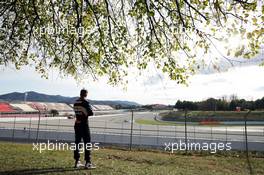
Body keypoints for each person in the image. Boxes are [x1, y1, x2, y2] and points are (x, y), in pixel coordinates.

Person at [73, 89, 96, 169]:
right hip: (84, 125)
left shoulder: (75, 103)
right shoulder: (86, 103)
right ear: (86, 94)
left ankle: (77, 161)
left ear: (80, 94)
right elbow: (91, 113)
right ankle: (88, 162)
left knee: (77, 143)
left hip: (77, 124)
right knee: (87, 143)